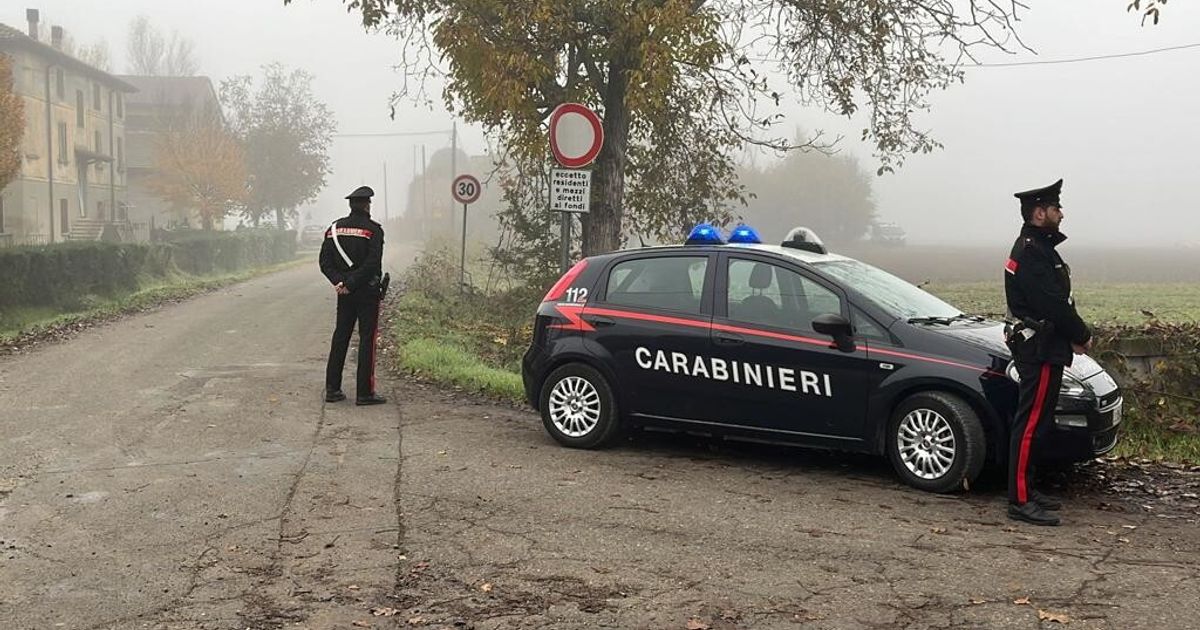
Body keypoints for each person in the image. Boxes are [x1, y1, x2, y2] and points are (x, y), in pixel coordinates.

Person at [1003, 178, 1092, 526]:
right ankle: (1020, 501)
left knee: (1038, 424)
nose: (1062, 214)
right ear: (1040, 212)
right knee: (1028, 425)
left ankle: (1028, 488)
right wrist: (1081, 334)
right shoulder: (1031, 251)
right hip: (1037, 349)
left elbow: (1055, 302)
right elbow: (1052, 305)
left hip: (1049, 346)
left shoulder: (1041, 246)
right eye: (1056, 208)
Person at [320, 186, 387, 406]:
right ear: (367, 205)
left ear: (350, 205)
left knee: (341, 337)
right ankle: (364, 393)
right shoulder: (373, 230)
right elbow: (372, 264)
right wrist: (351, 283)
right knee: (367, 340)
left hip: (344, 293)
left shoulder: (334, 229)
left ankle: (332, 389)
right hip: (367, 292)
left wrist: (340, 282)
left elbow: (325, 262)